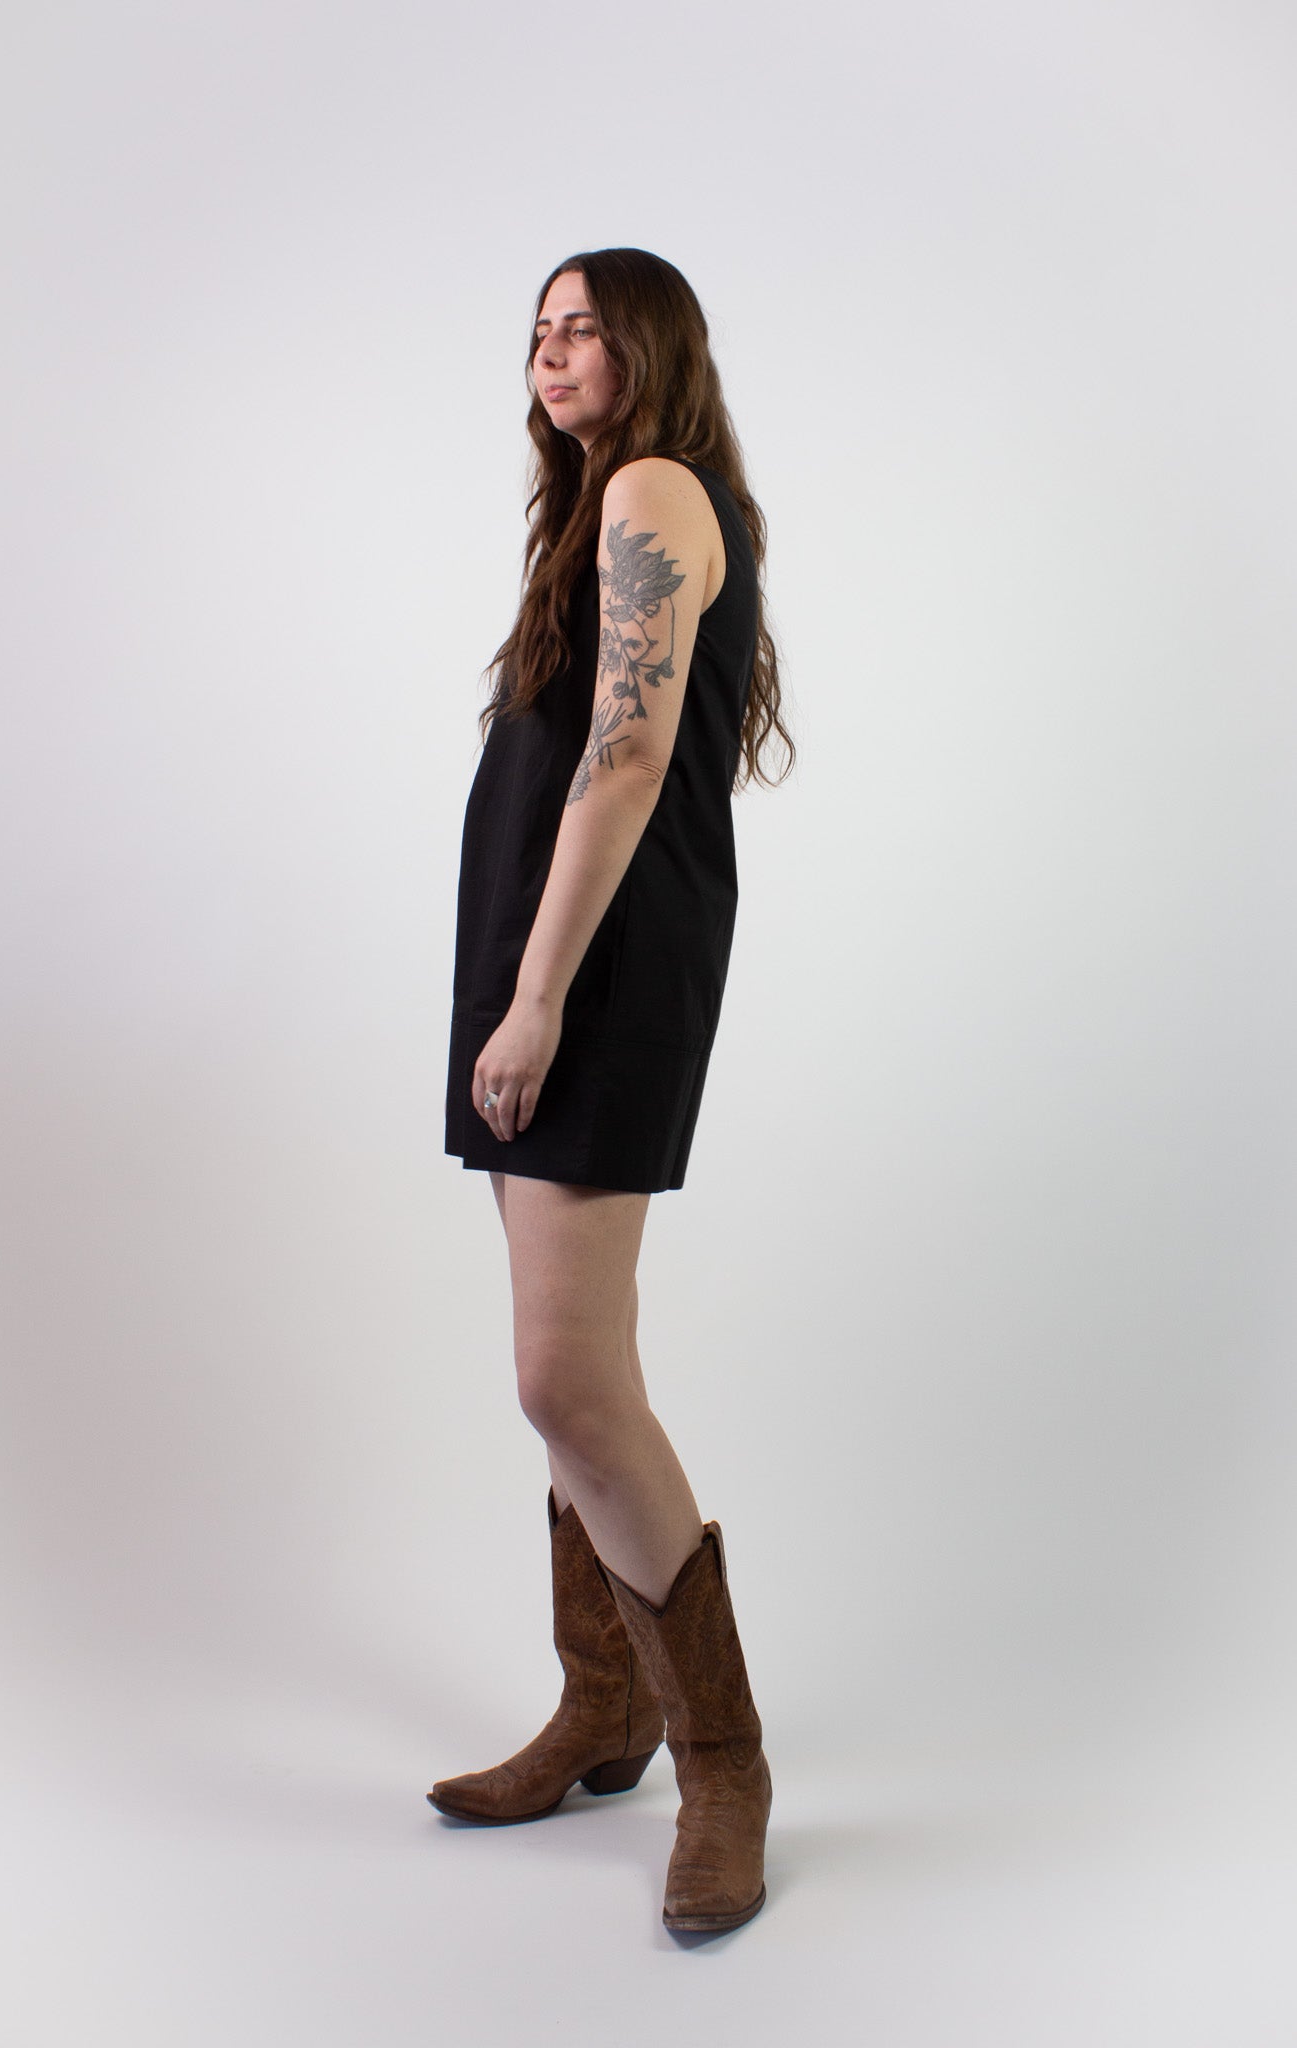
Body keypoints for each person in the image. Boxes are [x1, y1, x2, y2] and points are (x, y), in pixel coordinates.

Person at [430, 247, 795, 1935]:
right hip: (545, 956)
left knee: (567, 1380)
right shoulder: (599, 504)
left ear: (651, 348)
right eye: (538, 327)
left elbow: (630, 751)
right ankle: (602, 1706)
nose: (551, 348)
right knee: (566, 1373)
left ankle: (721, 1759)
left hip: (592, 972)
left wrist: (537, 995)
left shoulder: (653, 488)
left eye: (584, 325)